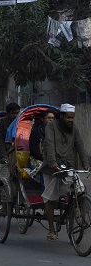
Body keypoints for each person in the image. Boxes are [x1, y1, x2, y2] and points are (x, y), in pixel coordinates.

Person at [42, 103, 89, 241]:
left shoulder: (74, 128)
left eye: (72, 118)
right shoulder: (51, 126)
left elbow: (80, 145)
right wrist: (52, 163)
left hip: (68, 166)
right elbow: (49, 144)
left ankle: (76, 216)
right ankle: (51, 230)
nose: (70, 120)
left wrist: (86, 164)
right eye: (68, 117)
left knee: (80, 189)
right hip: (52, 168)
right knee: (50, 197)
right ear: (61, 115)